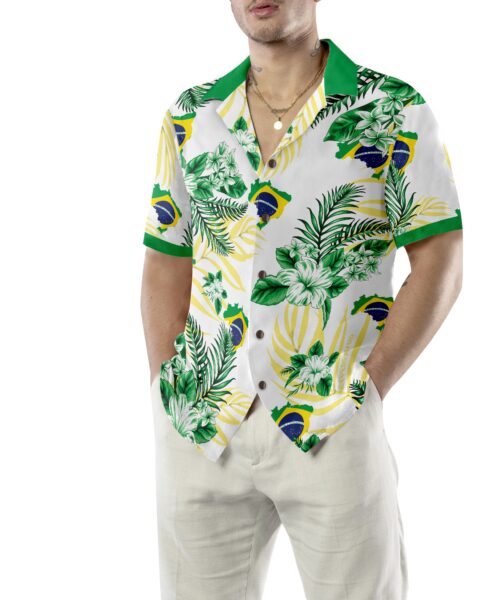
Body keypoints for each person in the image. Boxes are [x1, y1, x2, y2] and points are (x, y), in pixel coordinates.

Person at [140, 1, 463, 598]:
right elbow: (166, 259)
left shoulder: (392, 109)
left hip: (331, 420)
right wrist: (167, 383)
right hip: (202, 424)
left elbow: (441, 257)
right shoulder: (190, 115)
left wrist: (370, 389)